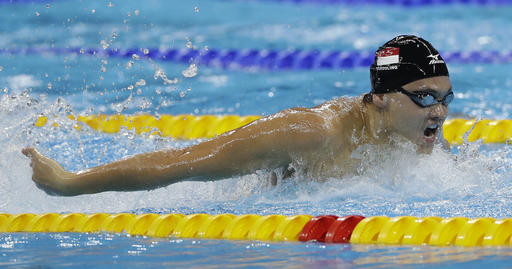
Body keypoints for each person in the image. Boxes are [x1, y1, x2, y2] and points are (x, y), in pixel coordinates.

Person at [22, 35, 454, 196]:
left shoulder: (415, 135)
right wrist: (71, 184)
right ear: (379, 96)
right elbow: (181, 163)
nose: (439, 111)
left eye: (446, 99)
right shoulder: (311, 133)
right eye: (424, 97)